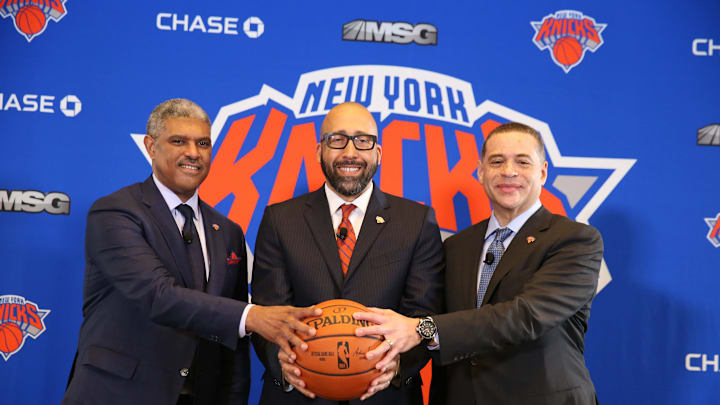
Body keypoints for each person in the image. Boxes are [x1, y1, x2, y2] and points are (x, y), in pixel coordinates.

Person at [62, 99, 320, 405]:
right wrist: (253, 315)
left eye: (203, 143)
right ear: (151, 146)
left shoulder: (228, 232)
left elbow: (231, 343)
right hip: (119, 394)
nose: (193, 153)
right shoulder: (116, 212)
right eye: (178, 141)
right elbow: (159, 296)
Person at [354, 122, 604, 405]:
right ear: (481, 172)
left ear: (543, 171)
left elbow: (527, 316)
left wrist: (421, 329)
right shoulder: (456, 247)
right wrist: (393, 362)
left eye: (523, 162)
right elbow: (432, 316)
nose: (509, 171)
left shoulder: (576, 240)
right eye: (497, 161)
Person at [251, 102, 444, 405]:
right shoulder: (280, 220)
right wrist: (282, 363)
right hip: (300, 395)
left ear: (378, 153)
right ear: (319, 151)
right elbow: (267, 314)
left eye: (363, 140)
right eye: (337, 139)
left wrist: (398, 366)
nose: (350, 152)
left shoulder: (416, 221)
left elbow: (425, 314)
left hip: (386, 395)